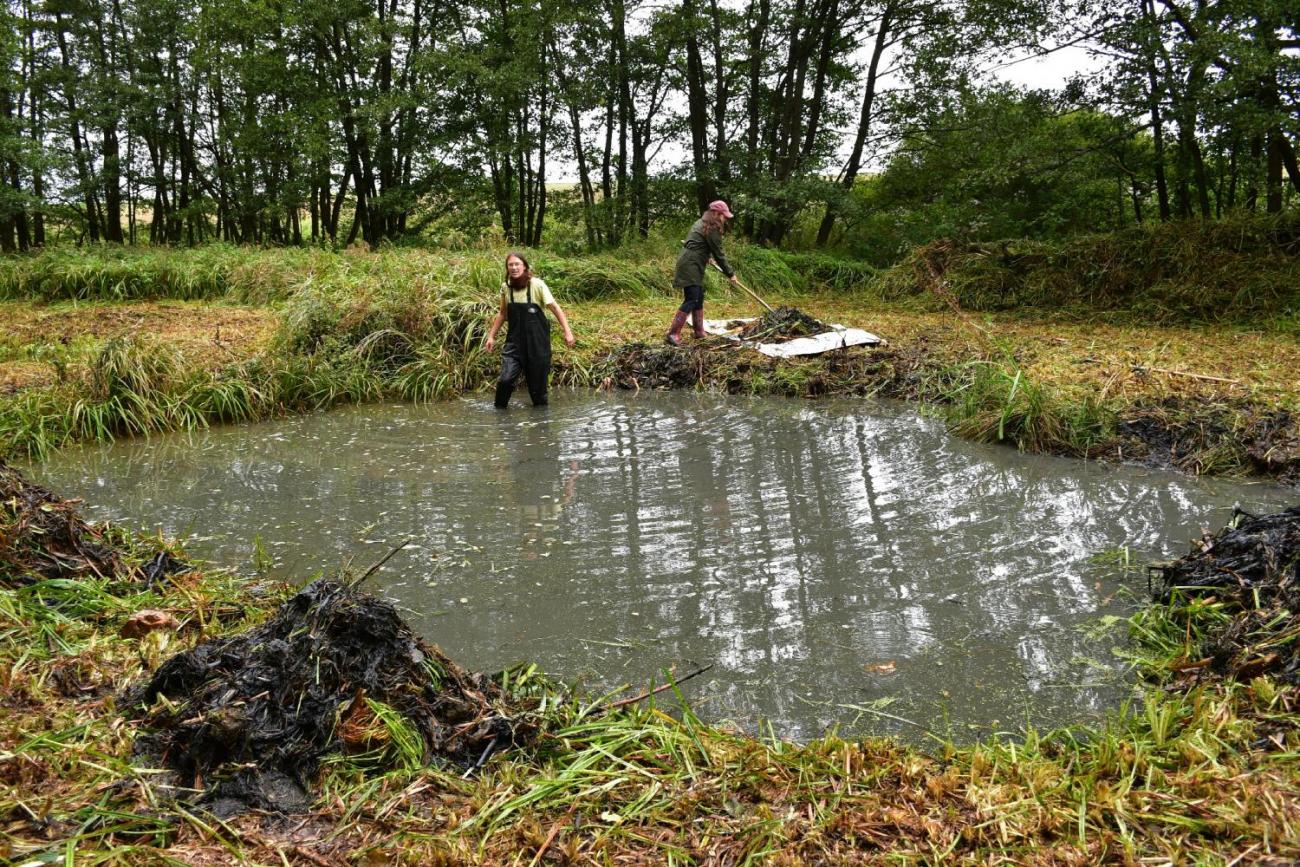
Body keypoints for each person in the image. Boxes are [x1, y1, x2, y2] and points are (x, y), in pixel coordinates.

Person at [485, 252, 575, 408]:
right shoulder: (505, 287)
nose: (514, 267)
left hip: (537, 346)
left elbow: (555, 308)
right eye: (510, 265)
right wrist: (491, 336)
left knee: (538, 394)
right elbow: (502, 313)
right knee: (505, 380)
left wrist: (567, 331)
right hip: (514, 345)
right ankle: (500, 419)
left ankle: (540, 427)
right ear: (507, 268)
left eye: (517, 264)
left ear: (524, 266)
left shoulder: (537, 285)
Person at [666, 199, 740, 346]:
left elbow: (697, 243)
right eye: (723, 215)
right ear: (717, 214)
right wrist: (730, 274)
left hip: (692, 261)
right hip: (690, 264)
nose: (725, 218)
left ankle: (699, 331)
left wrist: (706, 257)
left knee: (698, 296)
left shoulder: (702, 222)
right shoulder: (712, 228)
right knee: (692, 298)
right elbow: (719, 254)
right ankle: (673, 333)